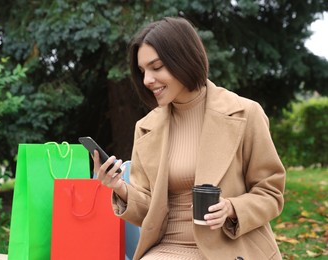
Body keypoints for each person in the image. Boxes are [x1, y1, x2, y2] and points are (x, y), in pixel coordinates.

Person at [92, 17, 286, 260]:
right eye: (143, 71)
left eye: (157, 66)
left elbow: (271, 193)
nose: (147, 80)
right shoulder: (146, 127)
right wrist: (119, 187)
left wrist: (232, 208)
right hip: (166, 249)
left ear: (183, 59)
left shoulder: (246, 114)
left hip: (231, 248)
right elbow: (147, 212)